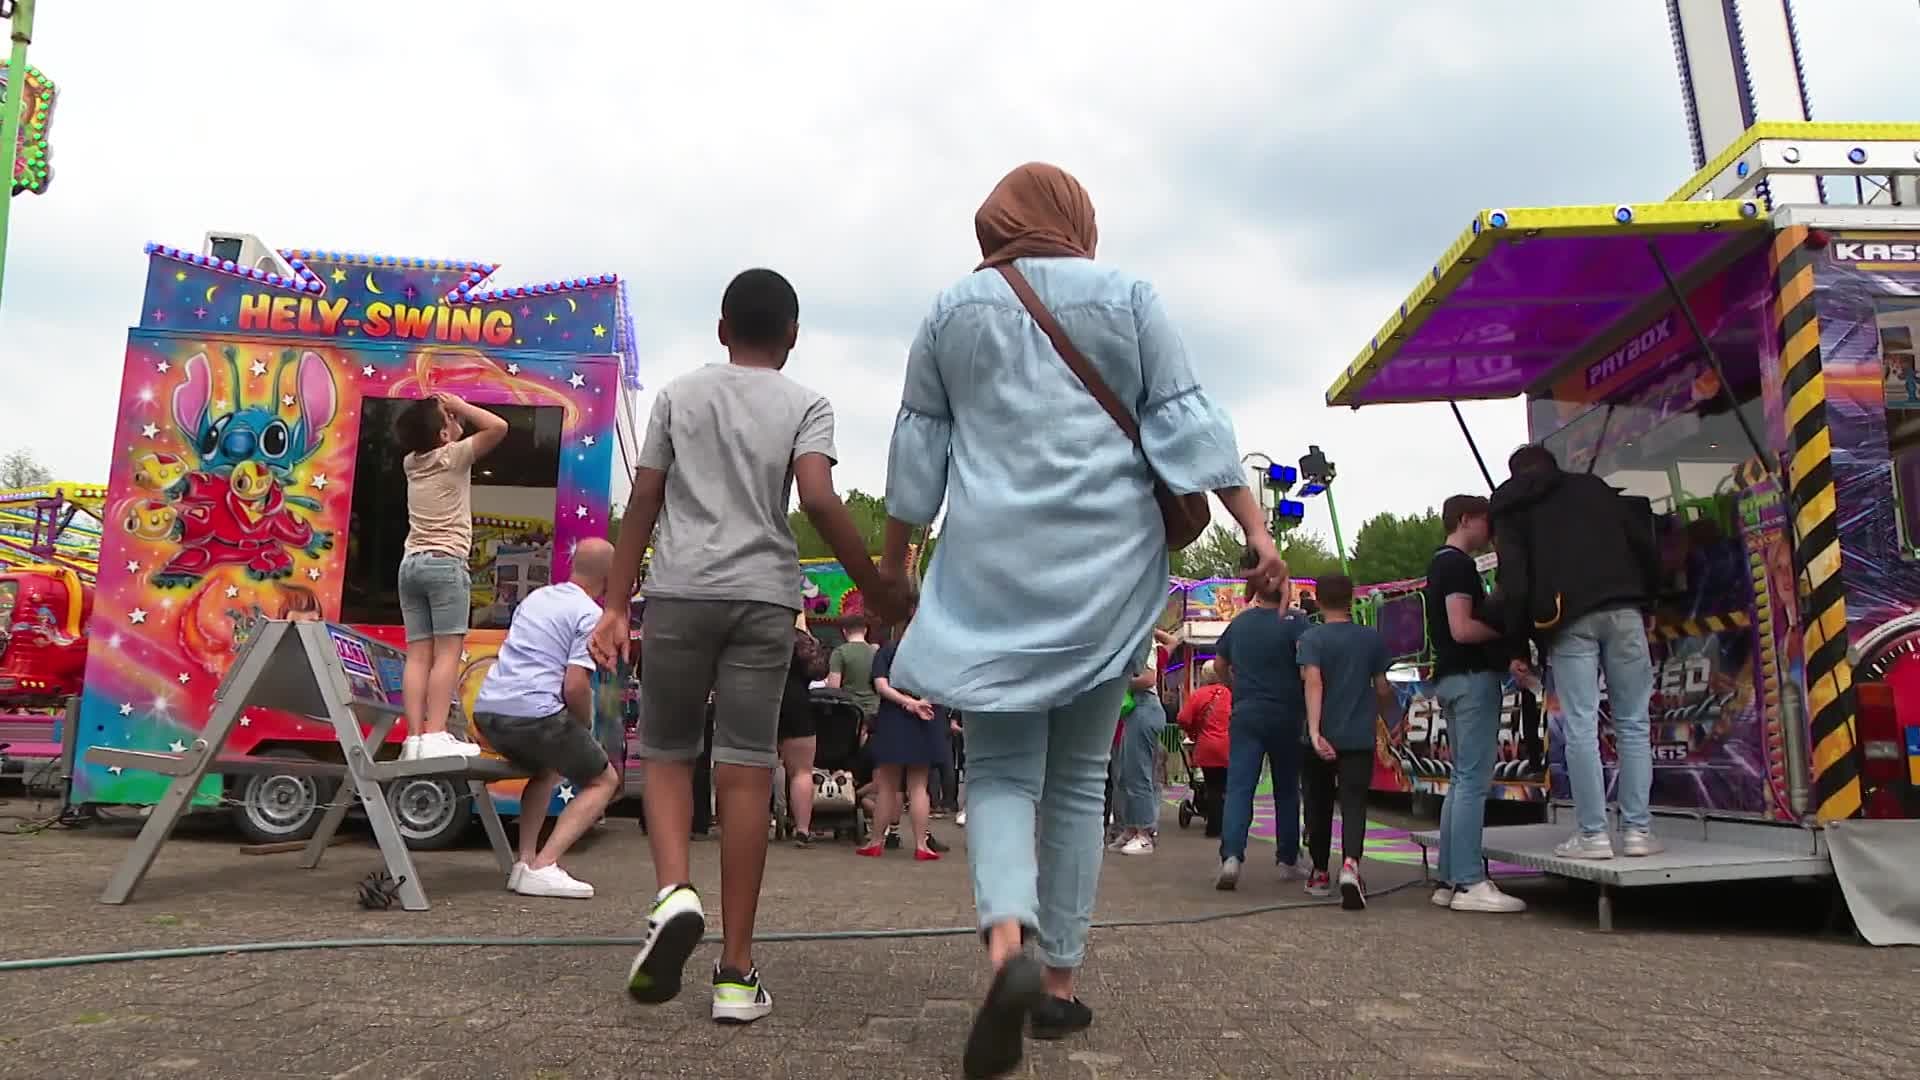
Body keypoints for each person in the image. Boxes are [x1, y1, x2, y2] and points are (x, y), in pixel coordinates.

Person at [875, 162, 1281, 1079]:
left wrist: (897, 563)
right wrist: (1254, 530)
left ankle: (1003, 946)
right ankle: (1057, 988)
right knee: (1078, 781)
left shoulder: (949, 311)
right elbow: (1186, 419)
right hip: (1107, 571)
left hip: (991, 572)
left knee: (1007, 774)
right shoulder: (1129, 293)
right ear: (1077, 219)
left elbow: (917, 448)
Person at [590, 268, 898, 1026]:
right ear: (792, 337)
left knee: (665, 750)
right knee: (746, 767)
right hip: (765, 597)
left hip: (682, 591)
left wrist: (614, 605)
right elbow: (820, 499)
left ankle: (673, 893)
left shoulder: (678, 395)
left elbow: (645, 500)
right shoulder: (806, 403)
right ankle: (735, 974)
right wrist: (875, 586)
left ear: (722, 327)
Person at [1491, 444, 1662, 861]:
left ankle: (1593, 836)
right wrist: (1651, 601)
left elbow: (1513, 582)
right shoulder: (1594, 489)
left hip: (1566, 621)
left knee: (1581, 728)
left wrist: (1517, 644)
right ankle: (1639, 831)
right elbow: (1644, 543)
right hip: (1624, 609)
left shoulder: (1513, 508)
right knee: (1634, 722)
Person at [472, 538, 621, 898]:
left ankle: (524, 863)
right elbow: (575, 686)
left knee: (545, 770)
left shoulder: (536, 598)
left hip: (489, 713)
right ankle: (545, 864)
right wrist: (582, 725)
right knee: (604, 781)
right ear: (610, 575)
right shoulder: (590, 615)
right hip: (534, 716)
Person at [392, 391, 507, 760]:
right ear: (443, 435)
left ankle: (414, 739)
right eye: (450, 417)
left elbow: (430, 438)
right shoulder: (452, 457)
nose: (457, 420)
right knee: (448, 653)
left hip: (410, 564)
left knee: (418, 655)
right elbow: (499, 427)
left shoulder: (411, 463)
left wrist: (446, 415)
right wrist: (461, 403)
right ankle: (436, 733)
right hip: (445, 564)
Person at [1426, 494, 1526, 914]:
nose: (1491, 531)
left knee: (1460, 780)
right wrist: (1505, 635)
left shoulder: (1438, 563)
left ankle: (1450, 878)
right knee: (1472, 780)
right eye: (1487, 522)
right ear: (1467, 519)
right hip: (1471, 678)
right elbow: (1463, 628)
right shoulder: (1457, 565)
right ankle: (1469, 880)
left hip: (1450, 679)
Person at [1297, 573, 1398, 911]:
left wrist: (1314, 732)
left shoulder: (1312, 639)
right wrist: (1389, 717)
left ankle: (1320, 871)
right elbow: (1383, 688)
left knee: (1319, 802)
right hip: (1358, 734)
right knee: (1354, 802)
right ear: (1352, 599)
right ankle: (1352, 865)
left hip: (1321, 733)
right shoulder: (1371, 640)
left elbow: (1313, 683)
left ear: (1319, 601)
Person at [1213, 550, 1310, 891]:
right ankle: (1287, 858)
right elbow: (1307, 669)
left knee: (1240, 787)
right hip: (1287, 713)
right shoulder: (1298, 623)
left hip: (1246, 712)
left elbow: (1219, 665)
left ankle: (1232, 857)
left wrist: (1235, 687)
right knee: (1286, 789)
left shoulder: (1239, 624)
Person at [860, 599, 947, 860]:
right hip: (927, 718)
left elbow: (881, 686)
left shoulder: (888, 651)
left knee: (887, 785)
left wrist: (907, 703)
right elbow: (945, 687)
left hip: (894, 720)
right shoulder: (937, 655)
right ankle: (922, 845)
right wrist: (922, 703)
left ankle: (875, 841)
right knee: (919, 786)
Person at [1111, 645, 1167, 855]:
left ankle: (1144, 835)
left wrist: (1118, 683)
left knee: (1139, 774)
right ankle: (1132, 829)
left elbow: (1148, 679)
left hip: (1144, 707)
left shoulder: (1145, 641)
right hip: (1136, 709)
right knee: (1126, 774)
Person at [779, 619, 830, 847]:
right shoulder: (801, 639)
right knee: (801, 772)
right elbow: (820, 672)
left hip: (764, 702)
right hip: (797, 704)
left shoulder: (760, 634)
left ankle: (755, 825)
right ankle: (802, 829)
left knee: (758, 769)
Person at [1174, 660, 1230, 838]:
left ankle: (1214, 827)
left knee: (1213, 786)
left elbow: (1183, 718)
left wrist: (1193, 731)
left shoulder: (1199, 695)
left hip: (1207, 745)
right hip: (1229, 745)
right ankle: (1229, 824)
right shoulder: (1229, 693)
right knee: (1226, 787)